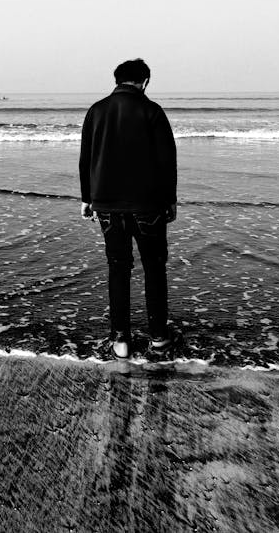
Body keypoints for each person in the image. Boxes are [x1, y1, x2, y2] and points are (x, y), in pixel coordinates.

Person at [79, 58, 177, 359]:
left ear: (117, 80)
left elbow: (86, 157)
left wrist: (87, 198)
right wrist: (169, 200)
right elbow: (166, 160)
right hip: (148, 204)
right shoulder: (152, 111)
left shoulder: (96, 111)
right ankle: (158, 337)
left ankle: (120, 340)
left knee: (118, 269)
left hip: (107, 205)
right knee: (154, 269)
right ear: (145, 81)